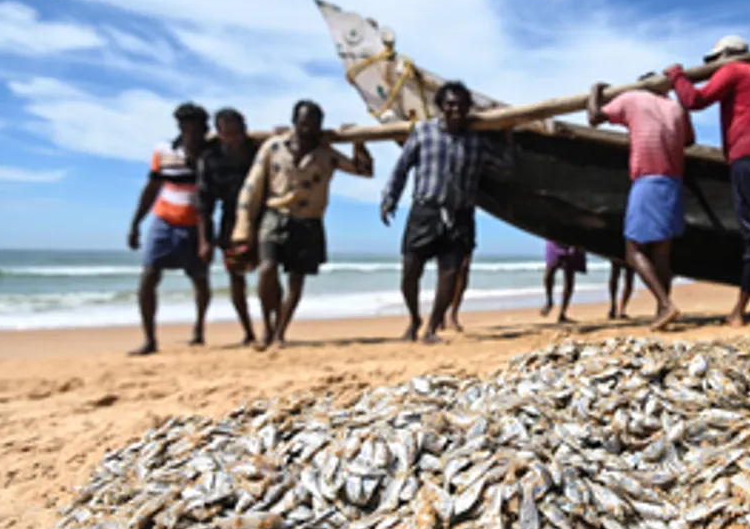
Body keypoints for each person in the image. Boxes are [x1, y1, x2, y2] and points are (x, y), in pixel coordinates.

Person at [664, 36, 750, 326]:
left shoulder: (735, 70)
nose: (714, 67)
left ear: (727, 55)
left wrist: (676, 75)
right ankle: (738, 312)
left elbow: (694, 100)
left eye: (715, 60)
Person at [230, 100, 373, 348]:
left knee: (296, 280)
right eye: (304, 122)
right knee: (267, 269)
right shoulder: (273, 147)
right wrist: (243, 225)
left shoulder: (327, 154)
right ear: (295, 122)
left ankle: (280, 332)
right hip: (275, 216)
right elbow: (252, 187)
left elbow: (363, 170)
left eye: (315, 123)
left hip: (309, 221)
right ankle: (267, 327)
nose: (309, 128)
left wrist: (358, 142)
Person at [380, 81, 513, 344]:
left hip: (461, 214)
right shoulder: (423, 132)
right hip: (425, 210)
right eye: (450, 104)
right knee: (410, 270)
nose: (456, 109)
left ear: (468, 108)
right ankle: (414, 319)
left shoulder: (477, 141)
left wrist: (508, 133)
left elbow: (506, 165)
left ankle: (431, 327)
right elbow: (402, 167)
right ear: (441, 106)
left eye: (461, 104)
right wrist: (390, 198)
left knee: (450, 273)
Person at [588, 73, 695, 330]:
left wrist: (595, 91)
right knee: (662, 252)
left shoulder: (633, 98)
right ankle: (662, 313)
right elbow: (690, 140)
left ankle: (666, 305)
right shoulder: (677, 107)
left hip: (648, 180)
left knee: (633, 251)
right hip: (673, 182)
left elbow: (594, 118)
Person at [126, 102, 212, 355]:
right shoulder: (163, 151)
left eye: (198, 129)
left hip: (197, 224)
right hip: (163, 220)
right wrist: (135, 224)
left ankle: (199, 329)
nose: (193, 134)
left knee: (200, 280)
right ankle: (150, 339)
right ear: (181, 128)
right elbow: (151, 189)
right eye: (188, 129)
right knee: (149, 275)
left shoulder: (210, 154)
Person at [197, 108, 260, 345]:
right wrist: (205, 240)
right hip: (231, 223)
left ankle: (272, 328)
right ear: (220, 134)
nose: (234, 138)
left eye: (238, 132)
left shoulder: (258, 150)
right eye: (228, 133)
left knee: (268, 271)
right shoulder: (210, 158)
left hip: (261, 217)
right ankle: (248, 331)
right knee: (236, 277)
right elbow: (204, 203)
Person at [541, 242, 585, 323]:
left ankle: (562, 313)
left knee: (569, 277)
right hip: (555, 239)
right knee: (549, 273)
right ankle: (549, 301)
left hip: (571, 241)